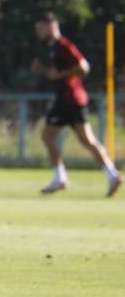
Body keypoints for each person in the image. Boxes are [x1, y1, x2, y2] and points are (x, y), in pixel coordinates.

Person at [31, 12, 120, 197]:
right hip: (73, 99)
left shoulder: (63, 45)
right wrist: (45, 71)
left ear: (51, 26)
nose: (38, 32)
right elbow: (57, 73)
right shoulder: (53, 48)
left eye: (40, 28)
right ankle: (112, 175)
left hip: (68, 99)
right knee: (86, 140)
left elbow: (83, 67)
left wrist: (56, 74)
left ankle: (61, 177)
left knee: (48, 136)